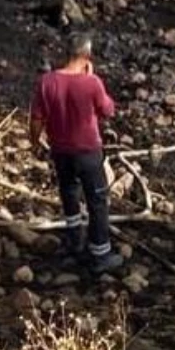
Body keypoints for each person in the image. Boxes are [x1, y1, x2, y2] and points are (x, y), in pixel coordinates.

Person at [29, 32, 124, 272]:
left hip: (61, 150)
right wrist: (91, 79)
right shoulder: (92, 83)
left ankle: (74, 242)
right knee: (97, 200)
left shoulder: (46, 81)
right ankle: (100, 253)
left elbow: (37, 118)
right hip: (88, 151)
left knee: (69, 194)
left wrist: (34, 141)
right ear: (87, 56)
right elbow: (107, 110)